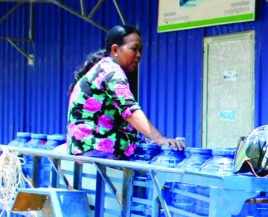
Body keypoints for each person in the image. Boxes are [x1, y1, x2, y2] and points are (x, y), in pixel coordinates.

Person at [67, 25, 183, 159]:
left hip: (83, 147)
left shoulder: (101, 67)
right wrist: (160, 138)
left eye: (140, 50)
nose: (138, 55)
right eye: (134, 49)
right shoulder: (111, 71)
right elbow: (129, 110)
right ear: (115, 49)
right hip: (97, 150)